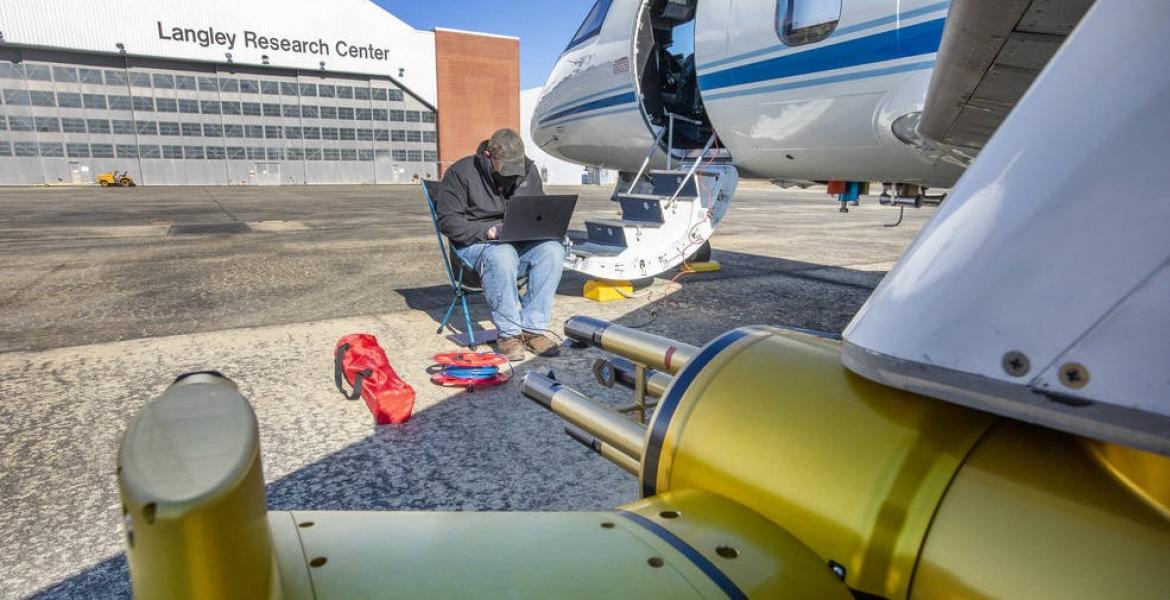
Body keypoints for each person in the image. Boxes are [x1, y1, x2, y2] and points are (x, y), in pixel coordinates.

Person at [436, 128, 564, 360]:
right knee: (502, 254)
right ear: (488, 156)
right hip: (473, 243)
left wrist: (543, 226)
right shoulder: (461, 173)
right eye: (506, 168)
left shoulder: (527, 169)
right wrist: (489, 231)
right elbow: (448, 222)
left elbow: (536, 211)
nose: (513, 175)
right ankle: (509, 334)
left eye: (517, 167)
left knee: (553, 250)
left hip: (517, 240)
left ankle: (532, 329)